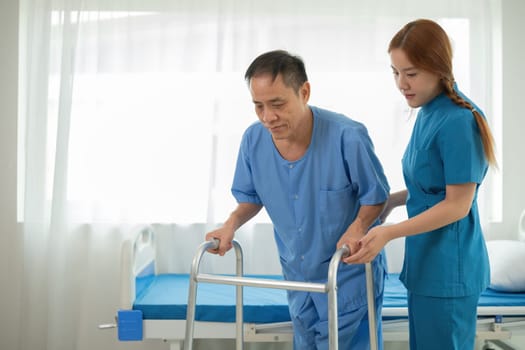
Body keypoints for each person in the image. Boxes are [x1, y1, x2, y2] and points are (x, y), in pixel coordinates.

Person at [205, 49, 390, 349]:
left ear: (304, 92)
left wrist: (358, 226)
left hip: (349, 275)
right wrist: (231, 224)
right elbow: (252, 197)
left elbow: (376, 197)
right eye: (259, 106)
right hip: (299, 279)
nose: (268, 117)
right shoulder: (253, 140)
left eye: (277, 104)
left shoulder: (348, 137)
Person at [344, 19, 497, 350]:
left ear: (438, 68)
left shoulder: (458, 121)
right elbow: (431, 188)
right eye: (395, 72)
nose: (401, 83)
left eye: (410, 73)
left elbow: (457, 204)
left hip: (449, 268)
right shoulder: (428, 111)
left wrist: (389, 232)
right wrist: (388, 203)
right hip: (427, 263)